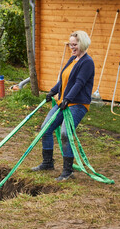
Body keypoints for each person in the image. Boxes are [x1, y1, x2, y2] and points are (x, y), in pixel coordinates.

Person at [31, 31, 95, 181]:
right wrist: (53, 91)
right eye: (70, 44)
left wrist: (68, 98)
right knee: (45, 128)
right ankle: (47, 163)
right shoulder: (73, 59)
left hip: (77, 104)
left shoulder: (87, 62)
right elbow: (63, 80)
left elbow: (79, 83)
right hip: (64, 102)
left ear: (83, 44)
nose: (72, 47)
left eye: (74, 44)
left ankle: (68, 171)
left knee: (66, 134)